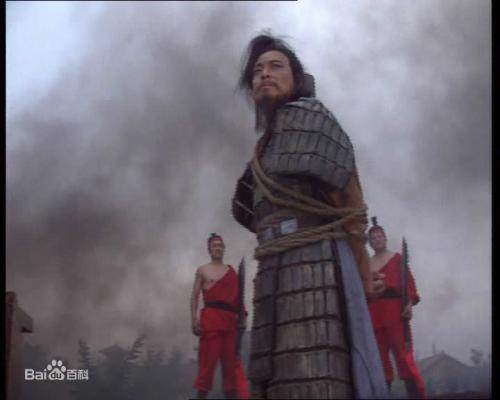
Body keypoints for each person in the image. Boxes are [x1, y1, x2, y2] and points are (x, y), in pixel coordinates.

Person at [231, 33, 387, 399]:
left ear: (296, 78)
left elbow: (350, 207)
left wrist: (363, 271)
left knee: (315, 372)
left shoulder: (312, 121)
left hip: (315, 267)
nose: (264, 74)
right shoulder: (265, 148)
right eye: (257, 70)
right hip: (272, 270)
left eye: (275, 66)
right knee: (272, 378)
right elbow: (252, 212)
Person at [367, 217, 427, 399]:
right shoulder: (367, 265)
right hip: (374, 312)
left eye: (379, 236)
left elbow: (408, 283)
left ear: (385, 238)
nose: (377, 240)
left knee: (403, 355)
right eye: (373, 238)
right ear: (370, 242)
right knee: (379, 357)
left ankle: (416, 395)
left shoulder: (396, 258)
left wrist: (408, 304)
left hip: (395, 311)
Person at [191, 233, 249, 399]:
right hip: (211, 321)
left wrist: (242, 317)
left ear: (224, 249)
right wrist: (194, 319)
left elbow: (238, 298)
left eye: (220, 245)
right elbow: (194, 296)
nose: (218, 248)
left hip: (230, 322)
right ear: (209, 249)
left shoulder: (231, 272)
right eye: (215, 245)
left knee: (230, 368)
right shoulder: (203, 270)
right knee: (207, 367)